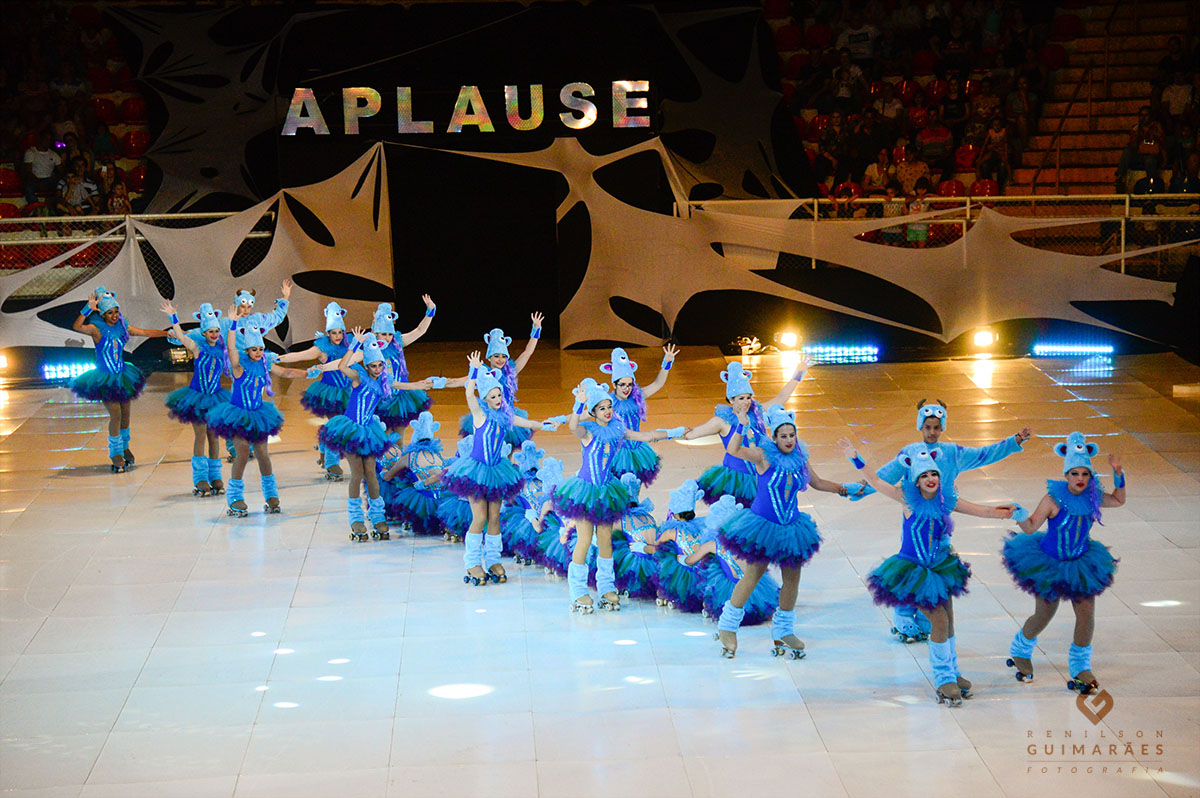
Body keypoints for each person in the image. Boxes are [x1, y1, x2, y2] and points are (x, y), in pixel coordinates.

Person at [840, 439, 1015, 707]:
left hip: (940, 568)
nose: (930, 478)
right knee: (940, 621)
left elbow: (982, 510)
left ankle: (953, 673)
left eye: (933, 473)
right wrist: (856, 458)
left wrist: (1003, 514)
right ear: (916, 480)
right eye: (924, 475)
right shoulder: (906, 499)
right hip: (912, 572)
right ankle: (944, 678)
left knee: (950, 622)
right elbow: (875, 481)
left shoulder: (946, 501)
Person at [844, 398, 1031, 642]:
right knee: (915, 562)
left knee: (937, 564)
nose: (932, 432)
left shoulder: (953, 454)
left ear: (942, 427)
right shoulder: (910, 455)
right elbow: (883, 478)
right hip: (916, 510)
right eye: (927, 427)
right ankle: (906, 615)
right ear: (920, 427)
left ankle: (925, 622)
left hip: (942, 512)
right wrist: (859, 488)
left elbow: (984, 455)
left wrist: (1013, 442)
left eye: (936, 427)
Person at [713, 404, 849, 658]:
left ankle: (784, 630)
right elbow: (734, 449)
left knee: (792, 578)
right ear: (774, 437)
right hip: (763, 527)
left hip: (791, 528)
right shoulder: (764, 456)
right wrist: (741, 424)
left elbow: (816, 483)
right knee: (754, 574)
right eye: (783, 436)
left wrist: (842, 488)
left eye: (792, 435)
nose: (788, 440)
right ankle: (727, 625)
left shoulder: (799, 458)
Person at [1003, 432, 1126, 695]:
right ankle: (1021, 649)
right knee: (1045, 613)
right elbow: (1031, 527)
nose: (1080, 479)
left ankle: (1081, 666)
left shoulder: (1093, 496)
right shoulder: (1053, 499)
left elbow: (1118, 499)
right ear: (1066, 474)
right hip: (1049, 564)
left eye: (1085, 474)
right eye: (1074, 474)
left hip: (1081, 564)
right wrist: (1020, 515)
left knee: (1086, 615)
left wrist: (1118, 473)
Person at [554, 378, 671, 613]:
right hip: (586, 492)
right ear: (594, 412)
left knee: (606, 539)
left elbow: (645, 436)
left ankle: (606, 586)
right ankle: (578, 590)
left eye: (609, 407)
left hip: (608, 490)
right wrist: (578, 404)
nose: (607, 411)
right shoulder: (588, 432)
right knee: (585, 539)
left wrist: (676, 432)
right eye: (602, 408)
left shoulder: (618, 430)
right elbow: (572, 426)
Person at [444, 353, 550, 585]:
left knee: (494, 517)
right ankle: (472, 562)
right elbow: (468, 394)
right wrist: (473, 372)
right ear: (485, 399)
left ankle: (492, 559)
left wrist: (545, 424)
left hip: (497, 471)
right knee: (479, 516)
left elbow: (527, 423)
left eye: (499, 394)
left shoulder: (506, 416)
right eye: (493, 396)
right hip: (476, 473)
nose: (498, 399)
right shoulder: (480, 414)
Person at [205, 320, 307, 517]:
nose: (259, 352)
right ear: (247, 351)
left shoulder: (264, 363)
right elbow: (232, 348)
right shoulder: (238, 366)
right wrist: (233, 324)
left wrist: (309, 373)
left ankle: (271, 494)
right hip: (237, 415)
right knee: (242, 452)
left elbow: (285, 371)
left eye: (261, 348)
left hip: (258, 414)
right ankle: (235, 497)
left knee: (263, 454)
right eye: (254, 349)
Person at [680, 356, 810, 506]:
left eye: (749, 397)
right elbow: (691, 435)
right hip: (736, 480)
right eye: (741, 398)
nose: (747, 402)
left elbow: (782, 397)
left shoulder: (757, 413)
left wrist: (798, 373)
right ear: (731, 400)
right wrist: (664, 434)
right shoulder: (721, 421)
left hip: (761, 474)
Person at [70, 287, 167, 471]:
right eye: (110, 313)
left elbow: (145, 332)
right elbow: (77, 326)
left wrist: (168, 333)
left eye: (116, 312)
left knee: (125, 415)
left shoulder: (123, 327)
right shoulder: (96, 329)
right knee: (115, 415)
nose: (114, 316)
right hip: (105, 378)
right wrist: (87, 309)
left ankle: (125, 446)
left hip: (123, 376)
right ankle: (115, 452)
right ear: (103, 314)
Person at [316, 329, 400, 542]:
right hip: (351, 430)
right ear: (367, 365)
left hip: (369, 432)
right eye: (373, 365)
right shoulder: (358, 376)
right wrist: (354, 343)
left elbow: (402, 385)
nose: (377, 369)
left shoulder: (383, 381)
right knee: (357, 474)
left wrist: (429, 384)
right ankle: (356, 517)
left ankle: (377, 515)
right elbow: (343, 365)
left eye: (380, 365)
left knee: (371, 473)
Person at [161, 301, 230, 496]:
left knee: (214, 436)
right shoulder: (197, 348)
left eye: (216, 331)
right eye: (210, 332)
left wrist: (233, 322)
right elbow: (181, 337)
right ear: (204, 333)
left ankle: (215, 475)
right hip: (198, 398)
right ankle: (200, 477)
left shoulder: (222, 351)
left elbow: (232, 343)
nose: (214, 334)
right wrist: (173, 317)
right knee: (200, 434)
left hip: (216, 397)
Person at [278, 302, 352, 481]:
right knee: (335, 424)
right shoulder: (321, 348)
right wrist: (276, 357)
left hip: (349, 392)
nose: (337, 336)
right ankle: (332, 463)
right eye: (333, 333)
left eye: (340, 332)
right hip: (330, 393)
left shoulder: (350, 346)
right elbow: (299, 355)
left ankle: (323, 445)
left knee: (346, 427)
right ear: (328, 333)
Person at [451, 315, 545, 446]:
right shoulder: (483, 373)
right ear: (489, 357)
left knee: (507, 451)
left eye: (503, 356)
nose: (500, 360)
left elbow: (527, 352)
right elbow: (457, 382)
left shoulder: (511, 371)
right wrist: (436, 383)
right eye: (496, 356)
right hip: (489, 417)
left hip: (508, 416)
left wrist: (536, 330)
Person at [599, 344, 680, 486]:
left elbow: (658, 384)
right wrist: (562, 419)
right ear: (614, 384)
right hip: (618, 452)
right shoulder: (608, 401)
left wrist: (666, 363)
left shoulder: (638, 396)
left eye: (630, 384)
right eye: (622, 384)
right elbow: (588, 413)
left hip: (638, 450)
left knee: (635, 491)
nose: (626, 388)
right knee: (619, 492)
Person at [365, 298, 436, 443]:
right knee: (384, 440)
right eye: (383, 334)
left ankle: (398, 465)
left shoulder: (398, 343)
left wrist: (430, 312)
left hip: (401, 398)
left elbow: (419, 331)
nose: (387, 338)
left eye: (390, 334)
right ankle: (385, 464)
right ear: (377, 333)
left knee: (398, 440)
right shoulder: (371, 348)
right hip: (381, 398)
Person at [382, 411, 448, 537]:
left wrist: (381, 471)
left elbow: (388, 476)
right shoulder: (438, 455)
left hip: (422, 503)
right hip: (443, 501)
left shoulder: (409, 456)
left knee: (400, 482)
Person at [610, 472, 661, 600]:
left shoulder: (621, 519)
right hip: (655, 562)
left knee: (608, 544)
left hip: (636, 566)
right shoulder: (648, 516)